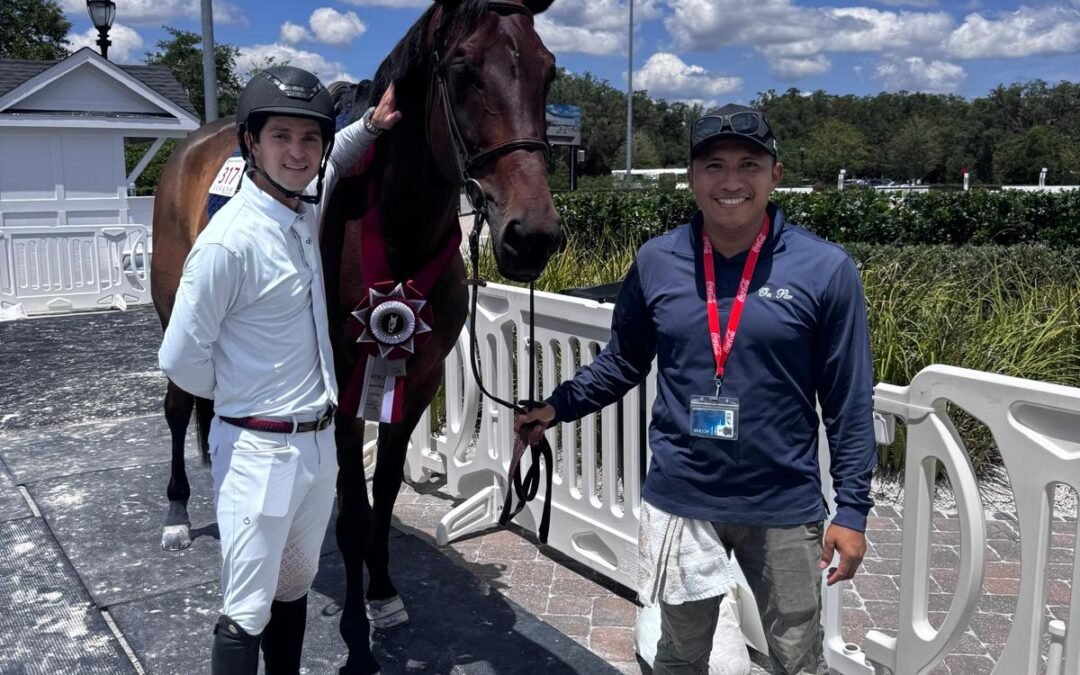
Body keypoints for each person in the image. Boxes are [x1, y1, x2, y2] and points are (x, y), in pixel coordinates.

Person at [515, 104, 877, 674]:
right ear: (691, 177)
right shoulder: (657, 261)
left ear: (775, 174)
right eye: (714, 165)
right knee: (680, 654)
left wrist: (852, 509)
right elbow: (624, 360)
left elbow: (849, 400)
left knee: (797, 657)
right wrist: (557, 407)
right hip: (683, 497)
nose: (731, 182)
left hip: (783, 502)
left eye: (749, 164)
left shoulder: (825, 269)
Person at [159, 66, 401, 674]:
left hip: (318, 448)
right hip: (258, 450)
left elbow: (335, 162)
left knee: (293, 589)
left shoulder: (303, 209)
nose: (298, 152)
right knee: (245, 611)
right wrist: (240, 400)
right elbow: (180, 359)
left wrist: (368, 126)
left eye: (309, 139)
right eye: (281, 137)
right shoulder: (226, 243)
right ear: (251, 145)